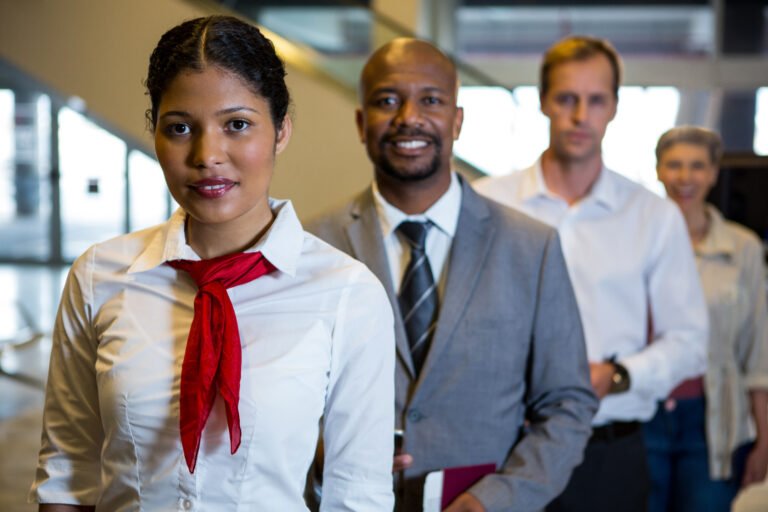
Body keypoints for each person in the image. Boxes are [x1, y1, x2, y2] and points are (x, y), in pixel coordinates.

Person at [29, 15, 395, 511]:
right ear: (153, 133)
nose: (207, 155)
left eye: (237, 125)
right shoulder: (100, 276)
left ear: (282, 130)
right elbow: (67, 473)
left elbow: (358, 496)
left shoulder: (347, 293)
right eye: (180, 128)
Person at [307, 37, 598, 512]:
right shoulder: (310, 246)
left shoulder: (532, 247)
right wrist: (317, 460)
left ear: (457, 120)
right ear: (362, 123)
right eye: (386, 100)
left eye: (431, 100)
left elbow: (568, 403)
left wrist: (498, 500)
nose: (408, 117)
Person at [474, 36, 709, 512]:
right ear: (543, 102)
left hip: (609, 451)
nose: (581, 115)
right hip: (500, 447)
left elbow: (690, 341)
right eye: (566, 98)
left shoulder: (652, 215)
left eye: (596, 100)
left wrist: (617, 375)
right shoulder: (484, 203)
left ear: (615, 107)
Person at [646, 125, 768, 512]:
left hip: (712, 420)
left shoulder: (742, 248)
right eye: (675, 165)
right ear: (658, 170)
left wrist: (765, 440)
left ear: (714, 173)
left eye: (697, 166)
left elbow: (758, 350)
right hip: (640, 416)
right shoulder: (633, 240)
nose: (685, 177)